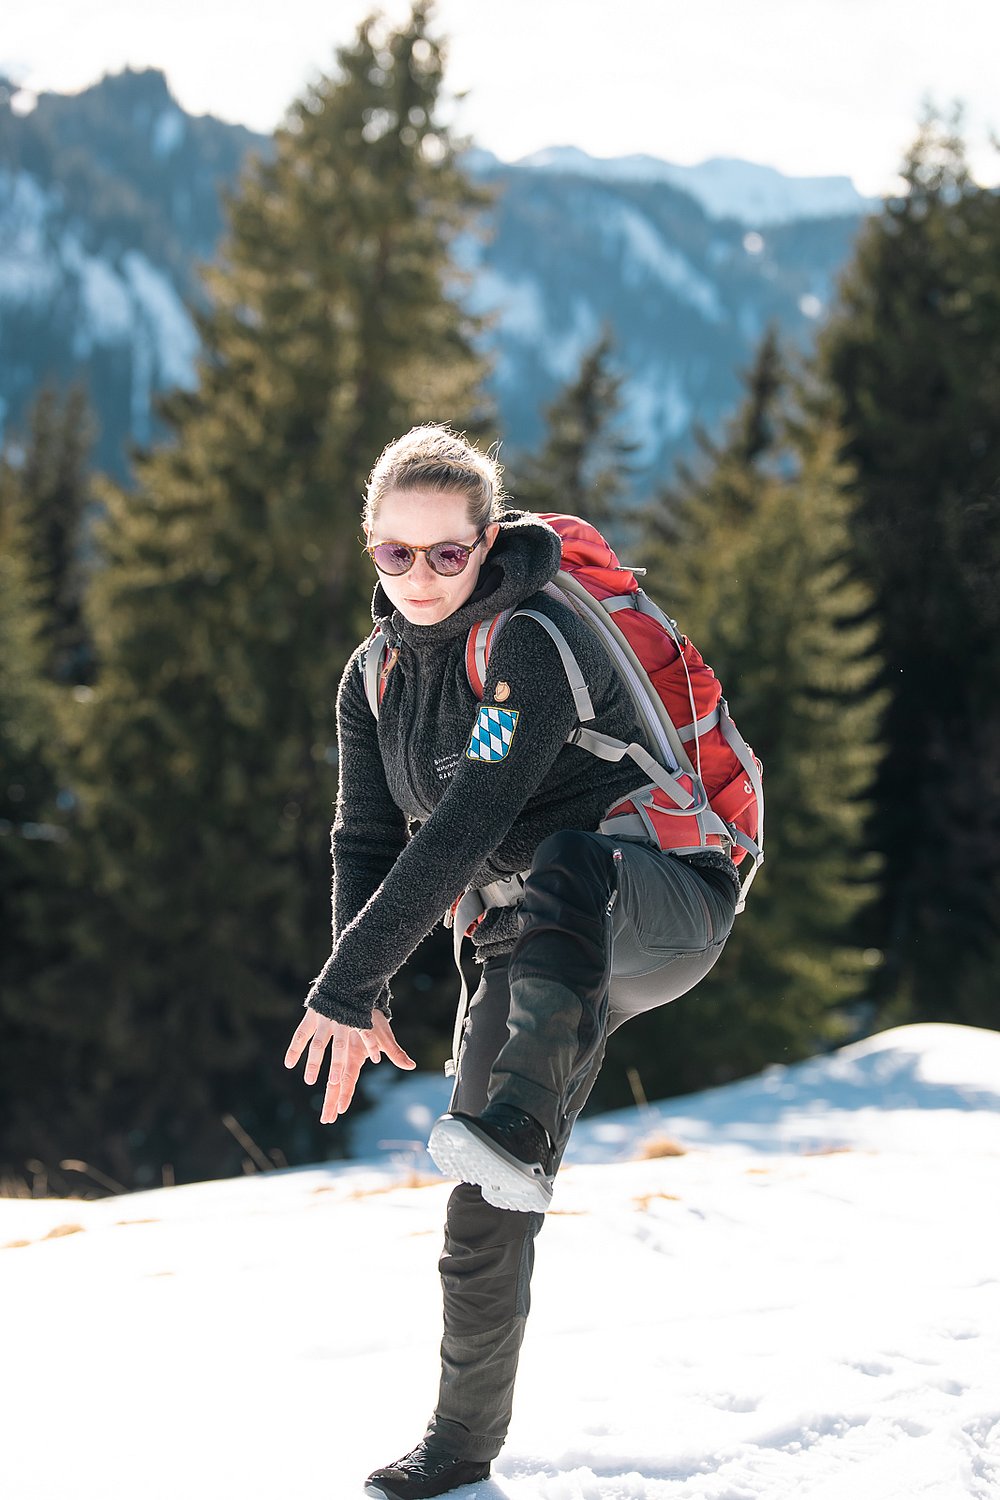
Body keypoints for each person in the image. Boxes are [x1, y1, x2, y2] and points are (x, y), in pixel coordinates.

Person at [285, 425, 740, 1499]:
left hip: (657, 905)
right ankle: (458, 1446)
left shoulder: (528, 647)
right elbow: (366, 835)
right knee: (480, 1198)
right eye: (396, 555)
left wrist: (346, 984)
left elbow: (463, 823)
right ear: (370, 550)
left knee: (571, 868)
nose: (422, 577)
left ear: (485, 545)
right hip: (524, 944)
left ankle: (521, 1129)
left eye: (447, 554)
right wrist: (370, 987)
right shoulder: (375, 677)